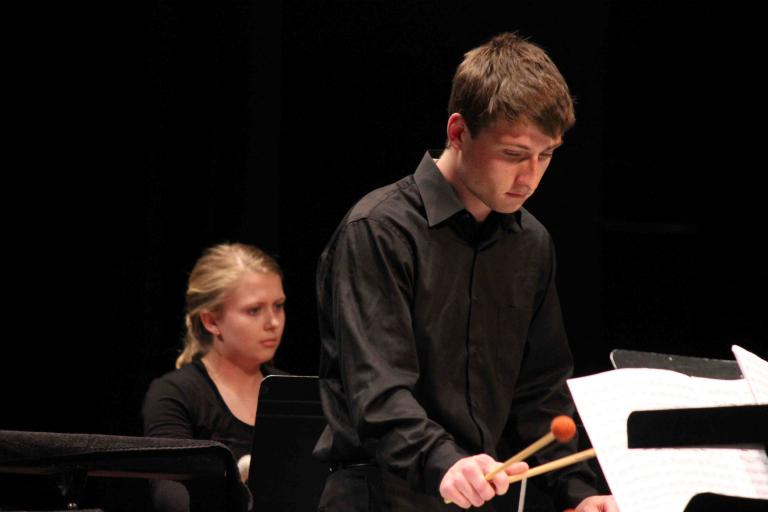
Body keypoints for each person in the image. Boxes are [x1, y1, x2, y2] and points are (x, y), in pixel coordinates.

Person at [314, 33, 617, 511]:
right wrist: (444, 462)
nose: (530, 177)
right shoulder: (379, 230)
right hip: (381, 494)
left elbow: (540, 394)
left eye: (546, 155)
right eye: (513, 154)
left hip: (475, 497)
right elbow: (379, 392)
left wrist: (579, 494)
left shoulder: (531, 243)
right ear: (458, 132)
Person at [142, 242, 287, 512]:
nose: (273, 322)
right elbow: (170, 495)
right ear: (211, 321)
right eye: (254, 310)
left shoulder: (291, 391)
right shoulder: (175, 393)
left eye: (278, 306)